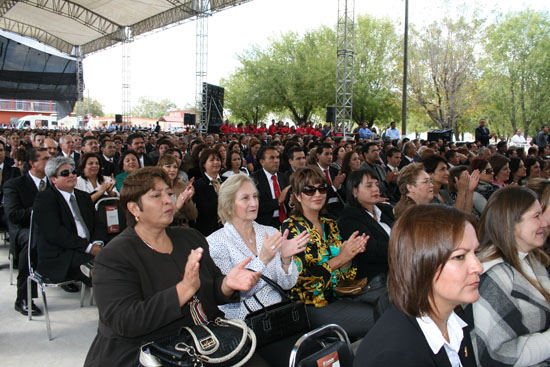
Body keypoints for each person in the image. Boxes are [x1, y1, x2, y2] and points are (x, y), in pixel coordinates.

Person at [83, 167, 262, 367]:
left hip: (203, 341)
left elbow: (211, 290)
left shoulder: (190, 238)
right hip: (145, 352)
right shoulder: (114, 257)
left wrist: (227, 284)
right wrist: (183, 290)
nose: (168, 200)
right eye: (156, 195)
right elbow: (125, 321)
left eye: (169, 193)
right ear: (134, 209)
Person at [353, 204, 481, 367]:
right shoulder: (394, 358)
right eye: (460, 257)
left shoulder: (454, 320)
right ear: (422, 264)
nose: (478, 267)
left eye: (475, 253)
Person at [281, 167, 373, 339]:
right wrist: (340, 258)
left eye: (322, 188)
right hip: (311, 306)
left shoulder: (330, 224)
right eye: (309, 190)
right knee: (375, 317)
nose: (317, 194)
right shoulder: (292, 228)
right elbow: (300, 282)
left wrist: (349, 257)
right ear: (298, 196)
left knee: (388, 303)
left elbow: (345, 278)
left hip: (340, 296)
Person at [207, 174, 309, 319]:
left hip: (280, 316)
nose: (254, 203)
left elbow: (287, 285)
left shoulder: (270, 232)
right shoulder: (216, 242)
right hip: (244, 323)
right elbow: (235, 295)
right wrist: (262, 260)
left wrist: (286, 260)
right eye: (245, 198)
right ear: (229, 204)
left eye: (255, 196)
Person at [472, 186, 550, 366]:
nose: (544, 223)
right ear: (511, 222)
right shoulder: (493, 274)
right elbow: (498, 354)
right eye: (536, 216)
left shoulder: (529, 258)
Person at [33, 157, 105, 286]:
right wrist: (89, 248)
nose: (72, 175)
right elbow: (55, 233)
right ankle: (112, 303)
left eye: (73, 171)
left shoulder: (83, 196)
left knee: (121, 257)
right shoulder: (45, 199)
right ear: (53, 179)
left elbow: (98, 224)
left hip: (88, 248)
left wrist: (97, 243)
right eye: (65, 173)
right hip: (62, 253)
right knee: (104, 268)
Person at [5, 148, 50, 316]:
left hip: (51, 226)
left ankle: (69, 275)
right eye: (45, 159)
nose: (49, 163)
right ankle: (23, 297)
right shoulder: (15, 185)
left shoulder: (54, 183)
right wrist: (40, 209)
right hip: (26, 228)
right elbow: (14, 215)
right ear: (32, 163)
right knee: (32, 242)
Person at [338, 169, 394, 279]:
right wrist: (404, 247)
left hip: (399, 270)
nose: (375, 189)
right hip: (376, 280)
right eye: (369, 185)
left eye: (376, 184)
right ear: (355, 191)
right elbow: (371, 250)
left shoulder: (386, 209)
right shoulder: (349, 216)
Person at [251, 146, 290, 228]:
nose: (276, 161)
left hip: (287, 221)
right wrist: (278, 201)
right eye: (272, 158)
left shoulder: (284, 177)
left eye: (277, 157)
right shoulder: (254, 179)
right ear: (262, 162)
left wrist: (292, 203)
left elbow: (288, 202)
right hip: (265, 224)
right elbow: (256, 206)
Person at [157, 154, 197, 227]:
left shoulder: (182, 187)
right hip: (164, 229)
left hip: (183, 228)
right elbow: (157, 216)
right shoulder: (155, 188)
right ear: (160, 168)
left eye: (175, 167)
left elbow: (193, 216)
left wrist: (187, 201)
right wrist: (177, 206)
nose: (172, 170)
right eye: (168, 166)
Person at [192, 148, 224, 236]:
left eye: (218, 160)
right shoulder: (197, 186)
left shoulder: (227, 182)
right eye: (212, 160)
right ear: (203, 164)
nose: (216, 162)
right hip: (207, 232)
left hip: (228, 230)